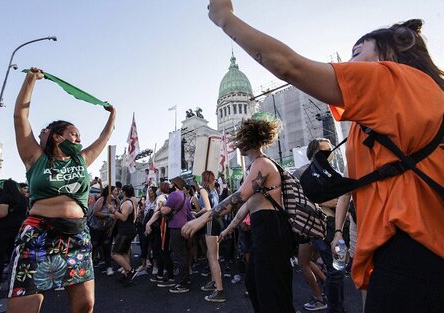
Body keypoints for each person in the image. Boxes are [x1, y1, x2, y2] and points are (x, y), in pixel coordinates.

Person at [206, 2, 444, 312]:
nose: (348, 63)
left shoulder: (389, 79)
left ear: (387, 56)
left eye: (357, 54)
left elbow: (289, 65)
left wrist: (225, 19)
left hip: (411, 252)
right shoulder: (423, 96)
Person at [9, 67, 115, 313]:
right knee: (25, 305)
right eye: (74, 135)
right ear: (58, 137)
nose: (79, 139)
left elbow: (105, 136)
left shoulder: (81, 160)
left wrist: (112, 114)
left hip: (76, 237)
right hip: (38, 235)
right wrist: (30, 81)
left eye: (80, 137)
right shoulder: (35, 157)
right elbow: (19, 118)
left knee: (85, 306)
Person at [182, 115, 295, 313]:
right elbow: (247, 205)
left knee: (272, 291)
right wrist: (228, 229)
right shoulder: (256, 166)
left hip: (271, 230)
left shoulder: (262, 164)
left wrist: (202, 219)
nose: (237, 143)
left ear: (250, 138)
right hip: (263, 230)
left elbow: (239, 197)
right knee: (253, 283)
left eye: (240, 138)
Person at [294, 138, 343, 312]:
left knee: (337, 270)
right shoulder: (302, 173)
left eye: (330, 150)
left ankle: (335, 305)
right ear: (313, 153)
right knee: (334, 269)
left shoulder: (334, 172)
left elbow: (343, 199)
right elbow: (298, 200)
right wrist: (325, 202)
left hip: (338, 227)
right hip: (318, 228)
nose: (328, 154)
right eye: (324, 150)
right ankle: (332, 306)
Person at [197, 170, 226, 303]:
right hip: (218, 221)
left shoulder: (204, 190)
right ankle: (214, 282)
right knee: (212, 254)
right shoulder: (214, 191)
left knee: (213, 257)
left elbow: (208, 209)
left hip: (210, 221)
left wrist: (196, 214)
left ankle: (219, 290)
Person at [161, 177, 194, 294]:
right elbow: (190, 214)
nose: (169, 185)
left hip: (176, 228)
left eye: (171, 184)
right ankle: (186, 279)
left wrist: (161, 207)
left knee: (179, 255)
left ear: (175, 185)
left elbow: (165, 211)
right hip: (185, 227)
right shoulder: (185, 196)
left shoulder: (173, 195)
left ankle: (182, 283)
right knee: (184, 255)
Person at [144, 181, 175, 287]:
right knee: (163, 251)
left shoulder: (161, 198)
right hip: (167, 226)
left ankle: (167, 275)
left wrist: (149, 223)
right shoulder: (170, 196)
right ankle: (162, 273)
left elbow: (158, 212)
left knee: (161, 251)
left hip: (162, 227)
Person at [110, 185, 138, 286]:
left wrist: (113, 211)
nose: (120, 192)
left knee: (115, 253)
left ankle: (130, 270)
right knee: (124, 253)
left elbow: (124, 217)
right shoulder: (126, 202)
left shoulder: (127, 203)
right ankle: (127, 276)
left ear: (125, 192)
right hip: (126, 230)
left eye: (121, 191)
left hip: (126, 231)